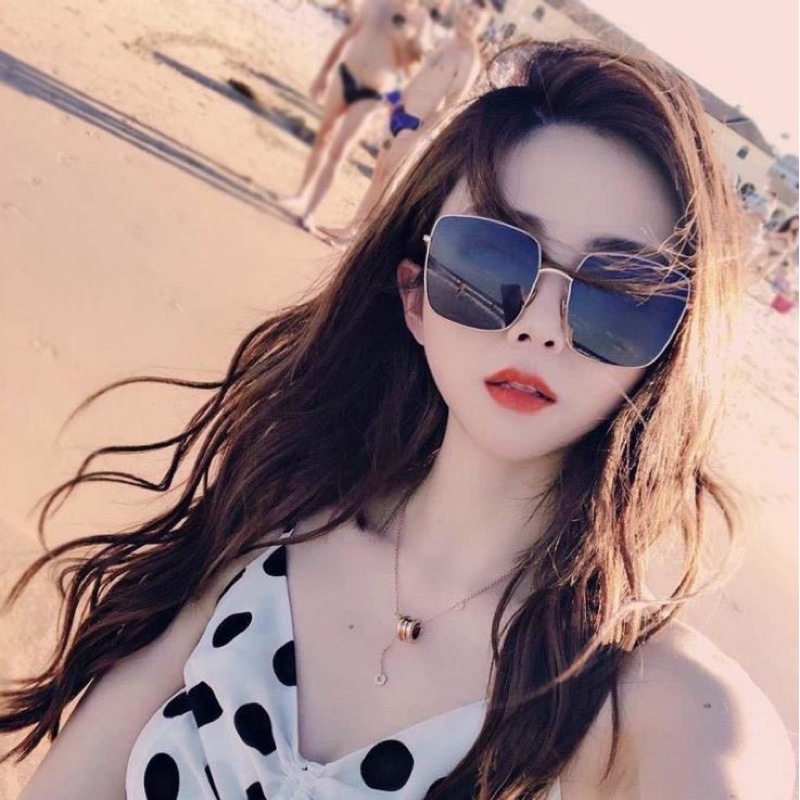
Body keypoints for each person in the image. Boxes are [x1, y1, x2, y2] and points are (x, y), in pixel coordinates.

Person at [2, 39, 794, 800]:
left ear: (670, 350)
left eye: (616, 294)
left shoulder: (649, 705)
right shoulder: (265, 535)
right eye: (492, 261)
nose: (540, 327)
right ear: (414, 295)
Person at [319, 0, 491, 247]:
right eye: (467, 12)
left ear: (483, 25)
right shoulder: (447, 41)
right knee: (379, 174)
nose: (468, 20)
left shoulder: (469, 58)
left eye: (475, 18)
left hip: (416, 124)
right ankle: (351, 228)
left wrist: (420, 134)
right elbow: (420, 76)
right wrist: (394, 102)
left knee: (389, 181)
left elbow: (453, 103)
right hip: (400, 112)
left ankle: (361, 239)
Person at [277, 0, 429, 234]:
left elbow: (412, 71)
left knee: (339, 150)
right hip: (346, 75)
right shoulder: (378, 3)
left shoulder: (419, 20)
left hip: (372, 92)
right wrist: (323, 74)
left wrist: (400, 41)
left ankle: (309, 212)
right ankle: (301, 195)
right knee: (323, 137)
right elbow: (347, 36)